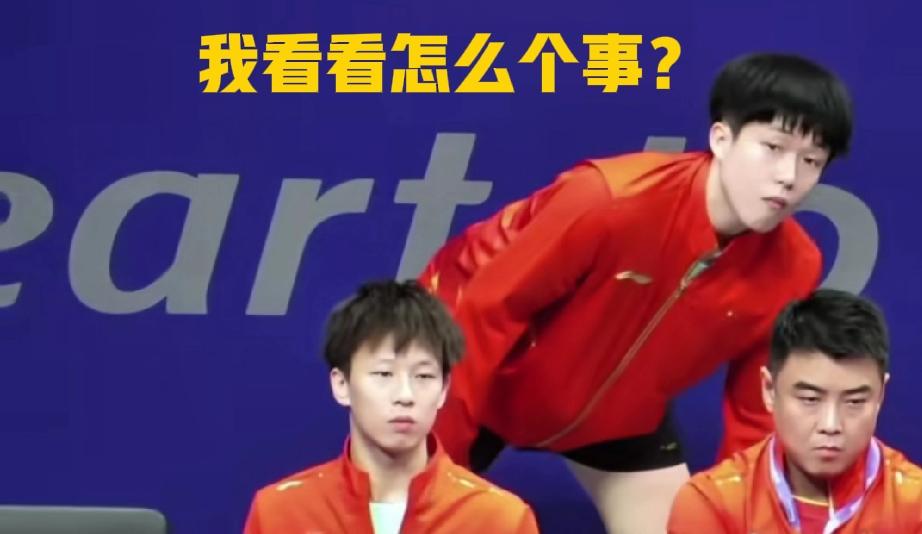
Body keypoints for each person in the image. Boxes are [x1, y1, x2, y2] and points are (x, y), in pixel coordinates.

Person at [419, 52, 853, 532]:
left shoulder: (795, 265)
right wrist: (435, 475)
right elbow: (480, 315)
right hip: (482, 378)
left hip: (618, 418)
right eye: (772, 147)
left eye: (811, 161)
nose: (789, 177)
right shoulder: (608, 199)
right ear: (721, 138)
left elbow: (758, 411)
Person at [243, 280, 539, 534]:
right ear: (341, 384)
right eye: (384, 374)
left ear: (443, 390)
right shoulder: (280, 513)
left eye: (423, 376)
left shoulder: (500, 519)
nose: (405, 395)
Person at [668, 289, 922, 533]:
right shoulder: (712, 504)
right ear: (769, 390)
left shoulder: (915, 504)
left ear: (880, 396)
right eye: (810, 399)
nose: (831, 425)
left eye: (854, 402)